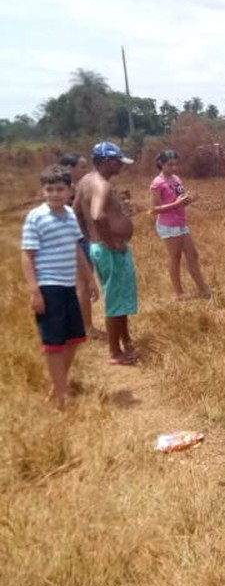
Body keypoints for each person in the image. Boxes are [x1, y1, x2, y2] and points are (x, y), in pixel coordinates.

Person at [21, 165, 100, 406]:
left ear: (70, 191)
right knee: (54, 342)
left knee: (74, 338)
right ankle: (62, 393)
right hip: (48, 285)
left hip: (68, 286)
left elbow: (76, 249)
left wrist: (89, 278)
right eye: (49, 189)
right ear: (43, 191)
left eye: (59, 189)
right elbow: (27, 255)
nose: (54, 194)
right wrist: (35, 291)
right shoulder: (36, 217)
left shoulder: (68, 215)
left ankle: (57, 385)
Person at [75, 141, 139, 365]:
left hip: (98, 247)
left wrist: (89, 237)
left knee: (119, 298)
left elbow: (76, 213)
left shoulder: (85, 181)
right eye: (118, 161)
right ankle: (115, 352)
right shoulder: (102, 185)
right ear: (106, 161)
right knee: (115, 300)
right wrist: (110, 242)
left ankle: (125, 339)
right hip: (109, 250)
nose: (121, 165)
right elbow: (97, 215)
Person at [149, 149, 211, 299]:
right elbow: (153, 209)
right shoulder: (158, 183)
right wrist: (176, 204)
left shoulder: (176, 179)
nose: (173, 168)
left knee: (192, 255)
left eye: (176, 165)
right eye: (170, 165)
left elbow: (180, 198)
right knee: (175, 257)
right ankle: (179, 293)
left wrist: (188, 200)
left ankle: (203, 289)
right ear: (161, 164)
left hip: (181, 223)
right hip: (168, 225)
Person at [59, 152, 104, 340]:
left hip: (82, 240)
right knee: (83, 285)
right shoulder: (65, 191)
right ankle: (87, 327)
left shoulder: (76, 187)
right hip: (75, 242)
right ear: (70, 169)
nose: (87, 170)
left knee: (80, 284)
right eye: (82, 166)